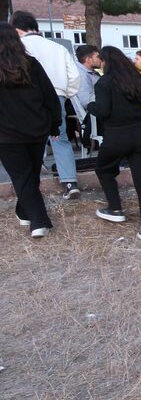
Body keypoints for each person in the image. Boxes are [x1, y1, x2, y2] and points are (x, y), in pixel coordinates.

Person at [87, 47, 141, 243]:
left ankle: (115, 207)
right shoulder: (135, 79)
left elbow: (103, 111)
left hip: (116, 135)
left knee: (104, 169)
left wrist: (90, 106)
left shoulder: (104, 83)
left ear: (106, 62)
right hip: (139, 133)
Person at [0, 21, 60, 239]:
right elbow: (49, 95)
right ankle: (24, 211)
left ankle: (39, 221)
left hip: (7, 134)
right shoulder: (31, 64)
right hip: (36, 129)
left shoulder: (31, 64)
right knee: (29, 174)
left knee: (24, 177)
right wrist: (54, 122)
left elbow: (48, 94)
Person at [11, 10, 80, 198]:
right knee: (61, 139)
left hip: (25, 99)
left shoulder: (17, 48)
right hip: (57, 96)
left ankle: (32, 184)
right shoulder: (57, 47)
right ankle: (70, 182)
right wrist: (66, 94)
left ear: (16, 30)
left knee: (27, 141)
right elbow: (74, 76)